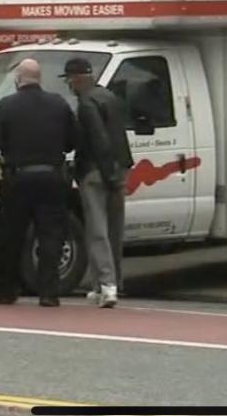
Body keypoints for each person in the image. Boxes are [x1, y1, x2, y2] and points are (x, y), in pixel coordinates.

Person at [0, 59, 77, 307]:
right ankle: (48, 293)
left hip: (17, 178)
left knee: (11, 236)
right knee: (51, 236)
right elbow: (72, 141)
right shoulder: (59, 104)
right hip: (52, 176)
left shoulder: (6, 106)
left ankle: (7, 291)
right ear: (40, 78)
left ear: (17, 79)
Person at [62, 57, 134, 309]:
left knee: (97, 229)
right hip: (119, 166)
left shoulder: (86, 103)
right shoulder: (109, 97)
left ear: (77, 78)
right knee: (115, 228)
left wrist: (104, 173)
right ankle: (112, 282)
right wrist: (120, 170)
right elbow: (118, 136)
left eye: (69, 78)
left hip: (96, 171)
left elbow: (98, 139)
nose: (69, 84)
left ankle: (106, 285)